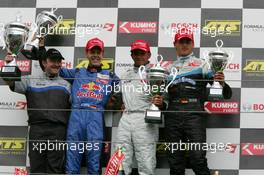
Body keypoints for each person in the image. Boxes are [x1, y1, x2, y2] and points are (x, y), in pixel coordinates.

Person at [165, 28, 232, 175]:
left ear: (193, 44)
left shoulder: (203, 64)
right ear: (175, 44)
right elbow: (163, 97)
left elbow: (226, 94)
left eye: (187, 42)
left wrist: (222, 83)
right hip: (172, 115)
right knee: (175, 162)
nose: (184, 45)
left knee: (197, 160)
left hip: (194, 115)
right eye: (181, 42)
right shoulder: (168, 68)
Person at [3, 49, 71, 174]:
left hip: (58, 131)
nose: (57, 64)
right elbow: (10, 81)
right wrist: (8, 65)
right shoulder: (30, 80)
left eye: (59, 61)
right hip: (37, 130)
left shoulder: (67, 84)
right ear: (44, 63)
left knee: (55, 168)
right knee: (36, 167)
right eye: (53, 61)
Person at [59, 37, 120, 174]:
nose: (96, 55)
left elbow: (123, 90)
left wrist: (117, 102)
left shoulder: (110, 75)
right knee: (72, 158)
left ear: (102, 54)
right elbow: (56, 68)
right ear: (87, 53)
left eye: (98, 52)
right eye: (92, 52)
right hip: (76, 116)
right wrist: (39, 50)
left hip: (95, 116)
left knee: (94, 160)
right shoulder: (77, 72)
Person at [113, 40, 164, 175]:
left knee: (146, 160)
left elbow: (165, 100)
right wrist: (119, 103)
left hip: (145, 118)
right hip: (126, 117)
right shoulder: (126, 74)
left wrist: (160, 103)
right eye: (136, 53)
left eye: (142, 53)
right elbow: (118, 96)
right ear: (131, 55)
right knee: (120, 158)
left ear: (148, 54)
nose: (139, 56)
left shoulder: (156, 73)